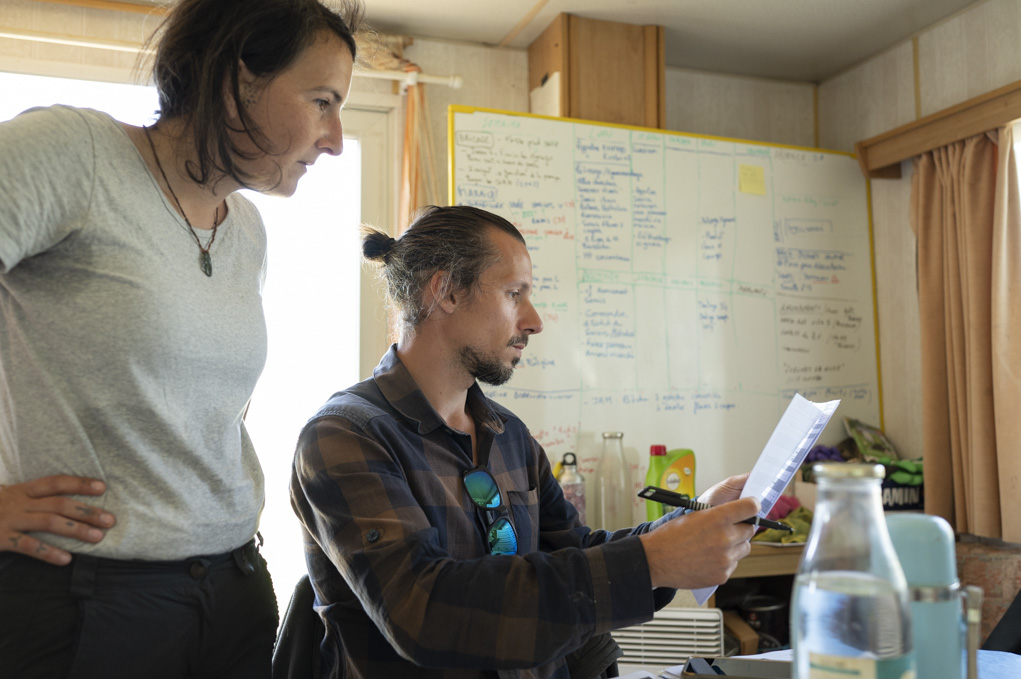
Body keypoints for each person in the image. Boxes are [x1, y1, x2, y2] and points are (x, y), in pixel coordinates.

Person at [0, 0, 362, 677]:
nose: (335, 137)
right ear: (235, 78)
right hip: (88, 601)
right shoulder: (75, 154)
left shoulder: (246, 228)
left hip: (234, 587)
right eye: (321, 101)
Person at [290, 205, 761, 679]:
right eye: (515, 294)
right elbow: (425, 612)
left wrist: (695, 517)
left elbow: (575, 553)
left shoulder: (507, 433)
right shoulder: (344, 437)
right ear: (447, 290)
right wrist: (651, 561)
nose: (534, 321)